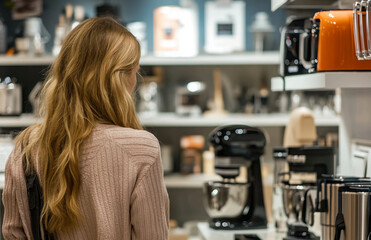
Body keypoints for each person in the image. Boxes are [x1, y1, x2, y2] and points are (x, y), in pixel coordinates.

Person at [2, 17, 169, 239]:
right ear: (120, 80)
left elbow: (13, 233)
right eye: (134, 72)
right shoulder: (141, 149)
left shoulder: (27, 147)